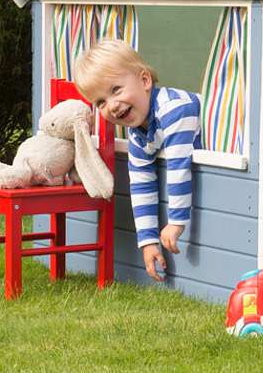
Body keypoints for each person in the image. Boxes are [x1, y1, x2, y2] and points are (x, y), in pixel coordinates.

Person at [74, 40, 201, 282]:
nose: (111, 105)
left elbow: (178, 167)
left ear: (145, 81)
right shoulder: (137, 132)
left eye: (116, 90)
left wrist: (176, 222)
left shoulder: (174, 109)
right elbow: (141, 184)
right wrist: (149, 241)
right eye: (100, 102)